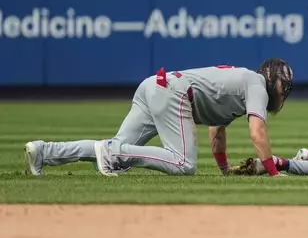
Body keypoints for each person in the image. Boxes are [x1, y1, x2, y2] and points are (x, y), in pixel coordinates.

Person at [24, 58, 293, 177]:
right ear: (271, 77)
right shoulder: (257, 84)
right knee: (183, 164)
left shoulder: (243, 86)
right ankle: (112, 152)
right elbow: (257, 133)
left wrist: (224, 170)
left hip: (157, 86)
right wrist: (272, 172)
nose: (285, 91)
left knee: (114, 150)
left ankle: (43, 152)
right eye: (284, 84)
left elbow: (216, 130)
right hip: (174, 93)